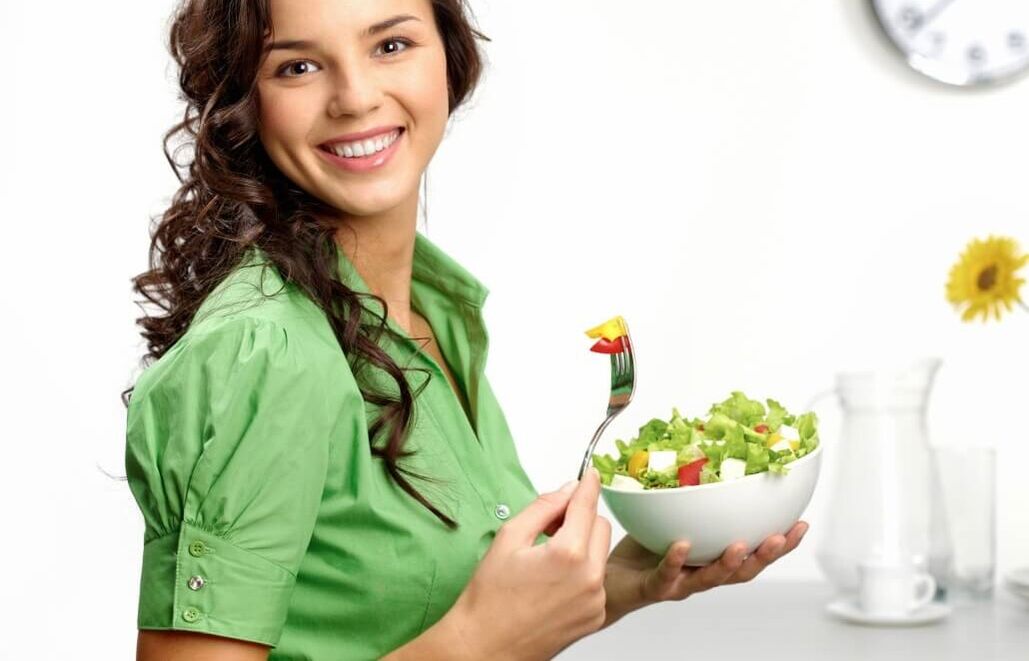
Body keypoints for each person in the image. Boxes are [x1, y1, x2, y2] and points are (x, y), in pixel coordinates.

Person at [124, 1, 809, 659]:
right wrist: (482, 641)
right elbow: (479, 636)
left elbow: (424, 604)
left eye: (390, 45)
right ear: (243, 100)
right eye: (297, 67)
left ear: (449, 61)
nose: (356, 97)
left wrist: (616, 583)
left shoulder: (430, 309)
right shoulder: (266, 352)